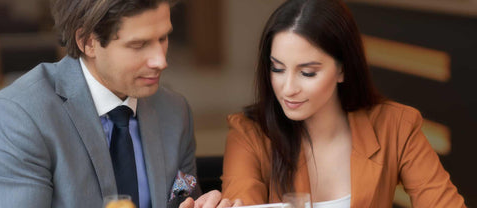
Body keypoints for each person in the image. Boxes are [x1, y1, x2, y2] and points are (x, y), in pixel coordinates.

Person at [194, 0, 466, 207]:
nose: (287, 88)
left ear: (343, 70)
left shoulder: (395, 125)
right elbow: (245, 201)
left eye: (307, 72)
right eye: (277, 69)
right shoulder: (249, 133)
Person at [0, 0, 201, 207]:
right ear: (87, 42)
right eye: (139, 45)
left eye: (163, 38)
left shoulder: (175, 112)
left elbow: (183, 198)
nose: (161, 60)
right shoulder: (15, 120)